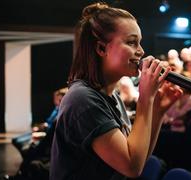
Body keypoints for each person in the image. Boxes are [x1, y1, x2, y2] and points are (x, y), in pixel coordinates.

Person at [50, 3, 182, 180]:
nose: (141, 51)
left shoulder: (112, 96)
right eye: (131, 42)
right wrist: (145, 99)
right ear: (101, 49)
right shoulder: (83, 100)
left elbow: (138, 159)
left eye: (139, 43)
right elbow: (131, 167)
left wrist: (157, 110)